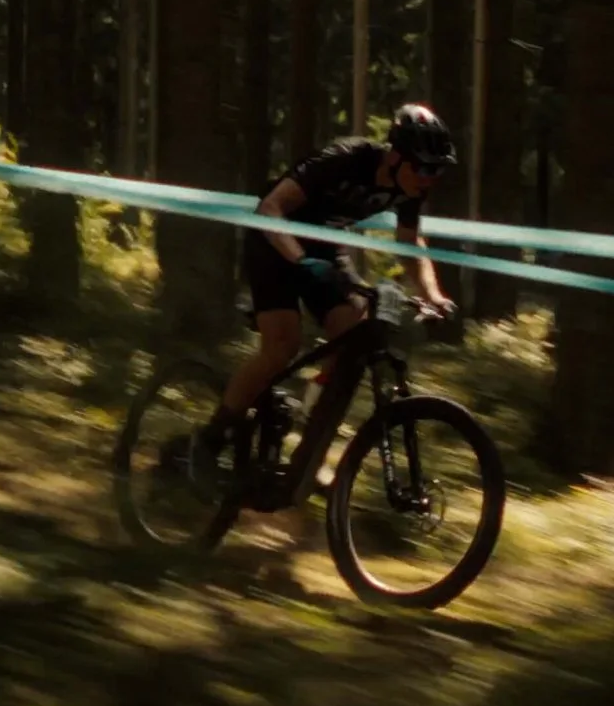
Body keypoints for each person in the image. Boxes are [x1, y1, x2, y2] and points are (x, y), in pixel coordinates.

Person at [196, 104, 459, 463]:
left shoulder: (412, 186)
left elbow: (410, 243)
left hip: (324, 247)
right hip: (274, 241)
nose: (430, 177)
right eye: (426, 167)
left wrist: (433, 295)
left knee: (351, 336)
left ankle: (310, 447)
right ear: (396, 156)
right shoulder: (344, 159)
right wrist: (301, 261)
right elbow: (270, 209)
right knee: (282, 347)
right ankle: (212, 437)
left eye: (438, 169)